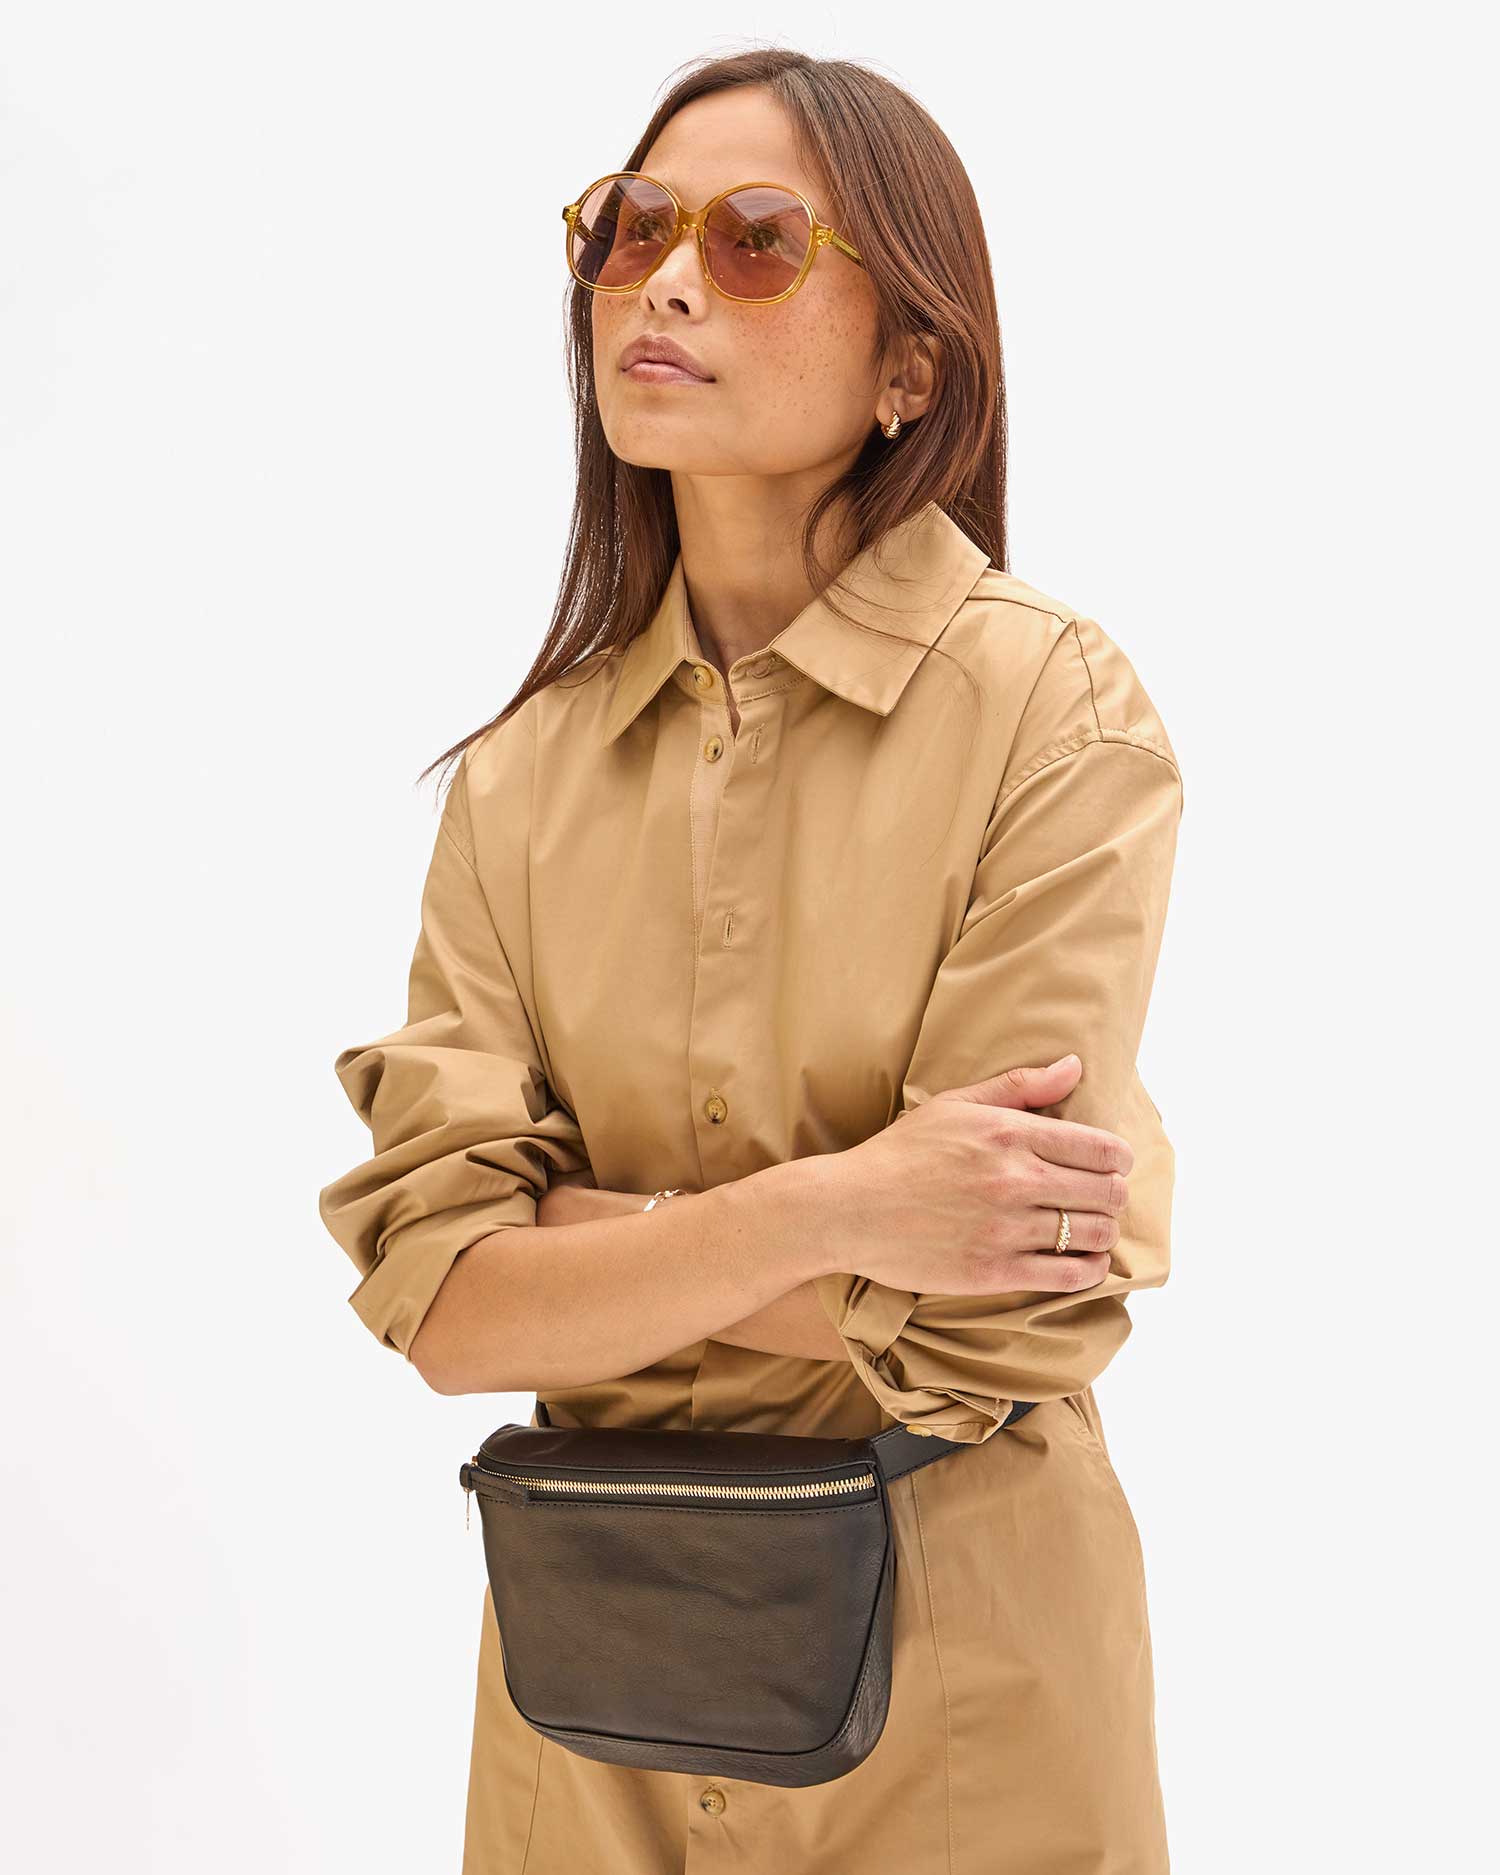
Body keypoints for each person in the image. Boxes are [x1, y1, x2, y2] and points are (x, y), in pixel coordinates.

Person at [318, 46, 1183, 1875]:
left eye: (761, 241)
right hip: (586, 1735)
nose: (670, 280)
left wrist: (599, 1254)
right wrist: (843, 1212)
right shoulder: (521, 774)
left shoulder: (1054, 711)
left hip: (968, 1720)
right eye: (632, 231)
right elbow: (443, 1299)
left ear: (910, 367)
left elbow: (1003, 1302)